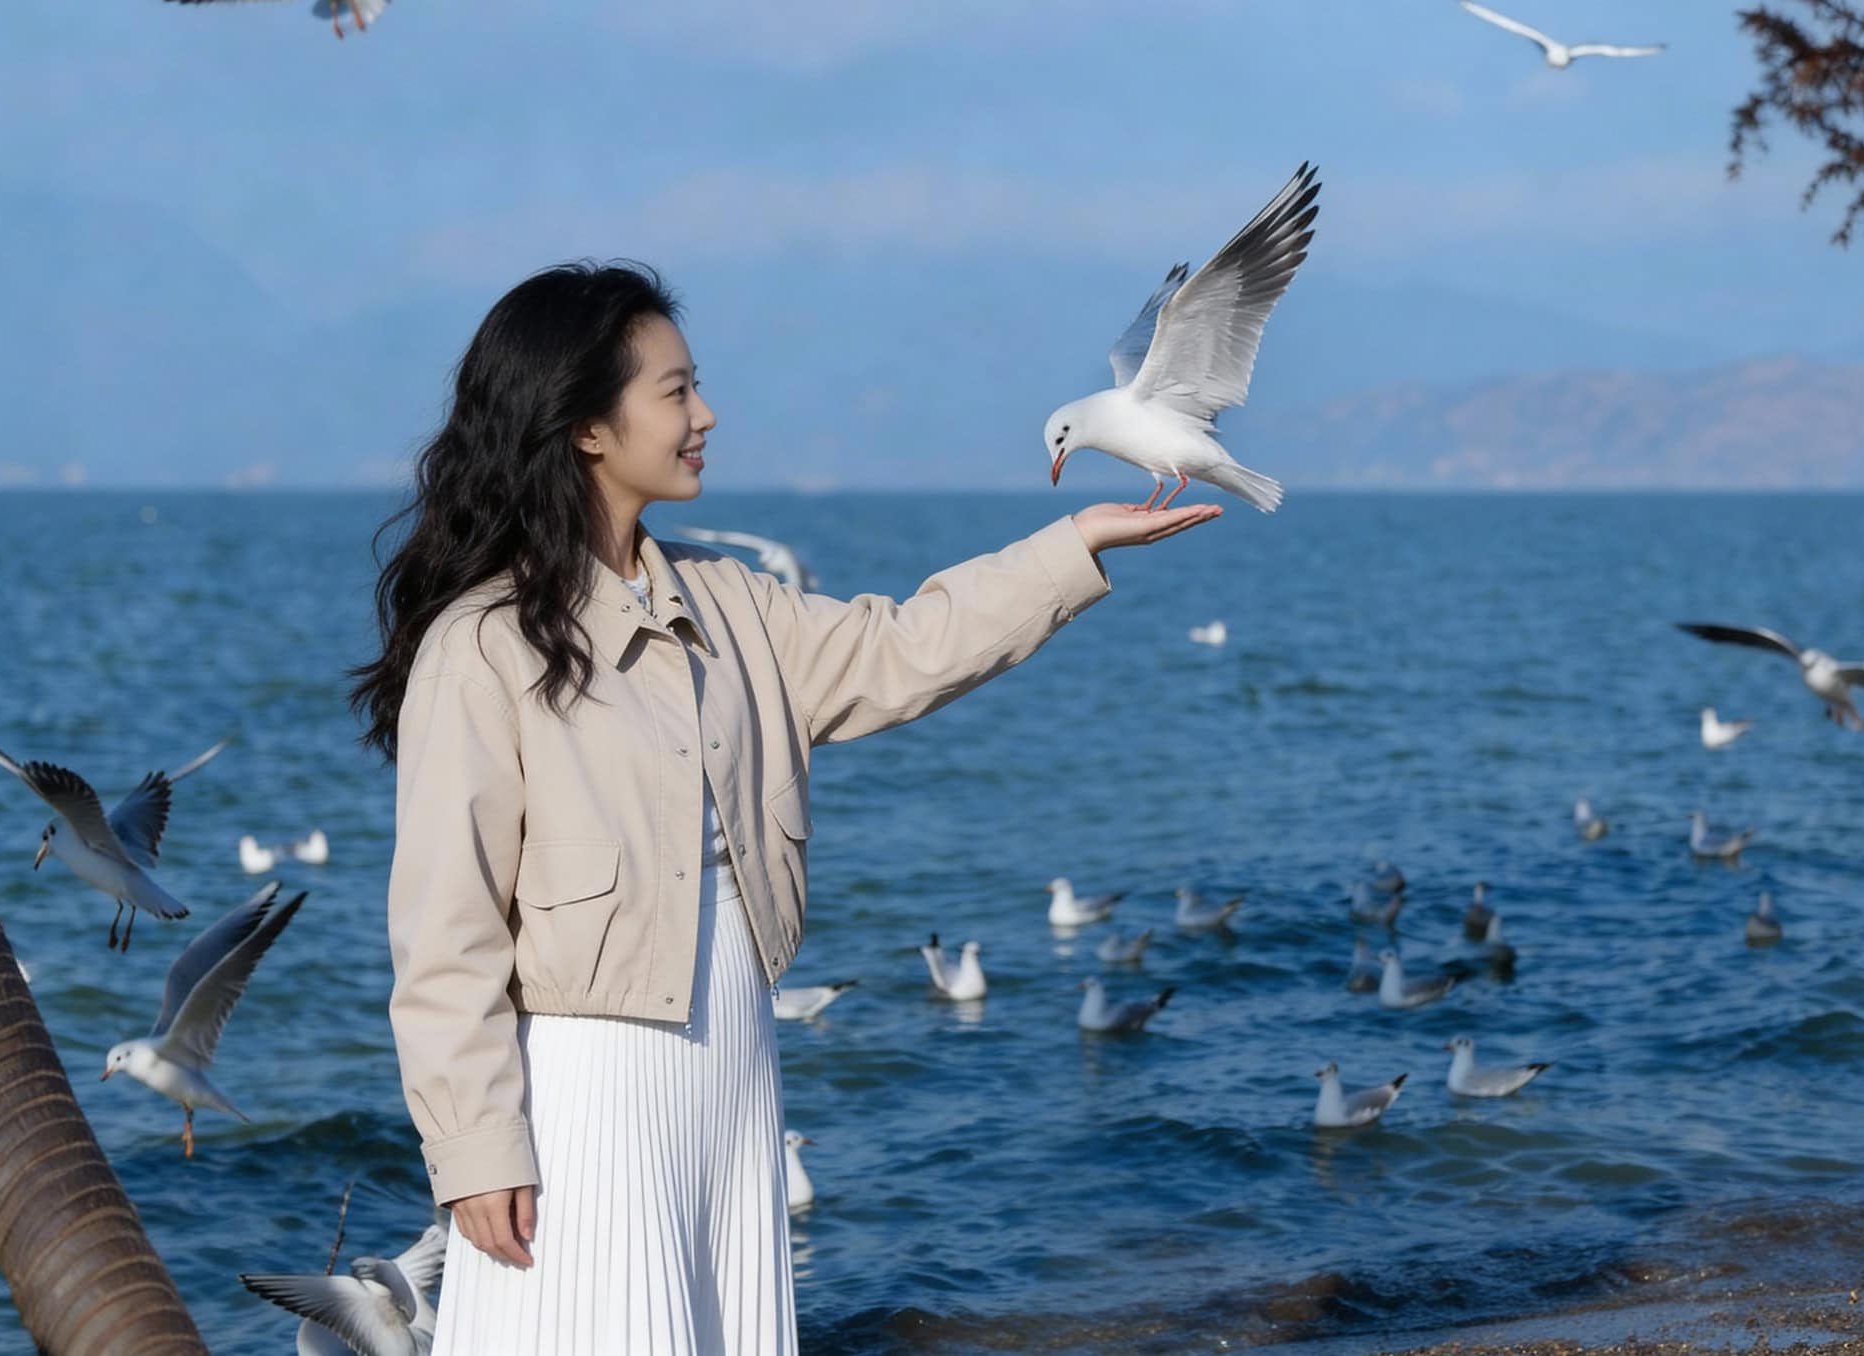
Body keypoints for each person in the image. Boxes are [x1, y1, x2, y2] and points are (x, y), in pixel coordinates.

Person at [350, 260, 1219, 1353]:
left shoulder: (729, 603)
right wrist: (476, 1148)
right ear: (584, 429)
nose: (705, 414)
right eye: (674, 392)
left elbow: (903, 648)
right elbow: (445, 932)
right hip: (587, 1088)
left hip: (732, 1054)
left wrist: (1070, 547)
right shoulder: (481, 649)